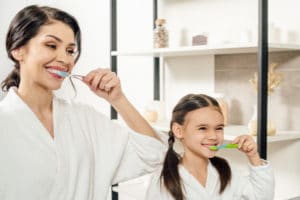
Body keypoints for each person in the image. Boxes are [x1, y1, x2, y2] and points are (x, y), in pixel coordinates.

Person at [0, 5, 166, 200]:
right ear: (18, 50)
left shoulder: (85, 118)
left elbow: (153, 153)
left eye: (70, 51)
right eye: (51, 46)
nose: (64, 59)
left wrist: (118, 99)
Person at [146, 94, 275, 200]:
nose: (213, 136)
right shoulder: (162, 180)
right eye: (202, 128)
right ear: (178, 131)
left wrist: (254, 157)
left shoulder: (227, 170)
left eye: (219, 128)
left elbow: (263, 198)